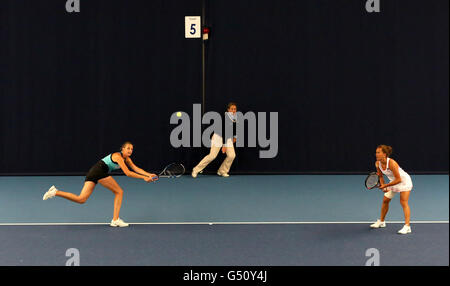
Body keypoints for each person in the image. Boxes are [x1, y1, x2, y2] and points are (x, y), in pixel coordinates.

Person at [42, 142, 158, 227]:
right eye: (128, 148)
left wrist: (149, 175)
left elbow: (135, 168)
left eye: (132, 149)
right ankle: (115, 220)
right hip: (99, 171)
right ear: (122, 149)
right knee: (119, 192)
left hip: (94, 172)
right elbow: (128, 173)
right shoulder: (118, 157)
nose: (130, 151)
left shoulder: (127, 159)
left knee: (81, 199)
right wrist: (144, 178)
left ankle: (55, 192)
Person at [370, 145, 413, 234]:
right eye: (376, 152)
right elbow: (380, 176)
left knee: (403, 202)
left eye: (378, 152)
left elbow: (399, 179)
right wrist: (383, 185)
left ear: (384, 154)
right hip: (393, 181)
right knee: (385, 200)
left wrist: (386, 185)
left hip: (404, 181)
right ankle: (381, 222)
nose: (376, 154)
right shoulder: (377, 163)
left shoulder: (392, 163)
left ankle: (407, 226)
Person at [192, 102, 237, 178]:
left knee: (232, 155)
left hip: (227, 137)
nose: (233, 110)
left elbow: (236, 128)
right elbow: (224, 132)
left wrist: (235, 137)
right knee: (212, 156)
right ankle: (195, 169)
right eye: (232, 109)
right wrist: (224, 145)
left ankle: (222, 171)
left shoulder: (235, 117)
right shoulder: (225, 118)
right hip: (218, 137)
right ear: (228, 110)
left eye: (235, 109)